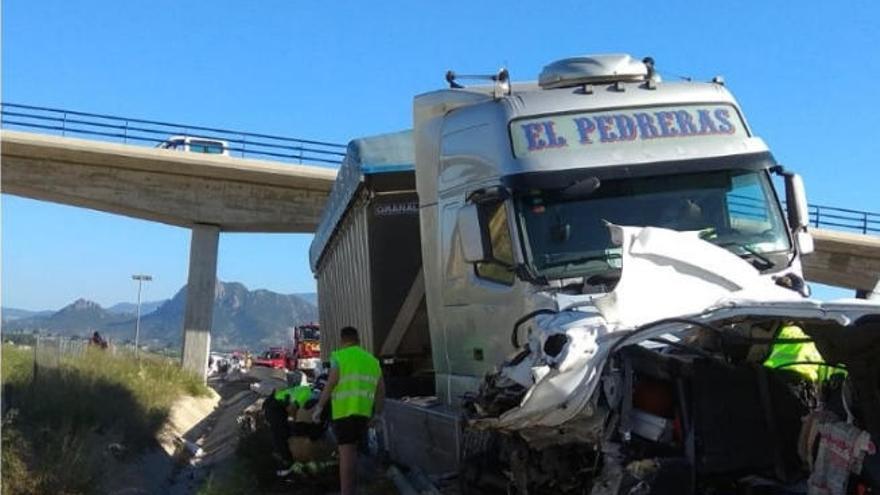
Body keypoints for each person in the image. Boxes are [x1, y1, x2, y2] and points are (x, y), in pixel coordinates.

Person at [313, 326, 385, 495]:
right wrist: (378, 415)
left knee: (346, 455)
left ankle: (347, 492)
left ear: (343, 340)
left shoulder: (339, 357)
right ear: (358, 339)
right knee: (358, 451)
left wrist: (319, 407)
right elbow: (381, 391)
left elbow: (331, 384)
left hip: (344, 414)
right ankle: (362, 487)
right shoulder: (372, 360)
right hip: (364, 414)